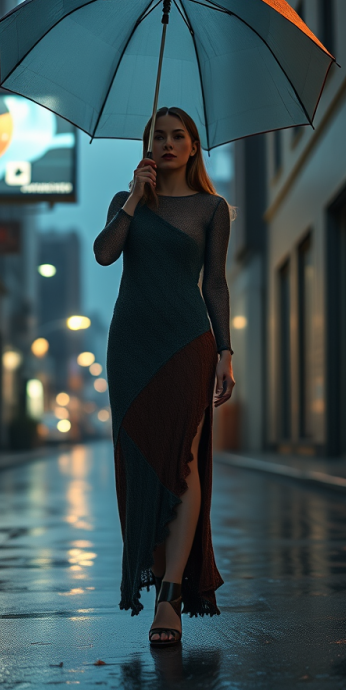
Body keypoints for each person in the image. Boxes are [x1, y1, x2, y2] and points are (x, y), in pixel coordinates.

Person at [93, 106, 235, 647]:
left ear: (194, 147)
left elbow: (214, 284)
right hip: (130, 347)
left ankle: (170, 595)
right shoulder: (125, 202)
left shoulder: (212, 208)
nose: (169, 143)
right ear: (146, 145)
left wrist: (225, 350)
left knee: (186, 460)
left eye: (179, 136)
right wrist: (134, 195)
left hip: (188, 345)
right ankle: (153, 573)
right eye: (159, 136)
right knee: (141, 463)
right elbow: (105, 255)